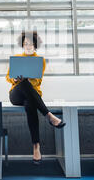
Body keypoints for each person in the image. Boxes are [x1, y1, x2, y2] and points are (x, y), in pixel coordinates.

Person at [6, 30, 66, 165]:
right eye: (25, 44)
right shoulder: (16, 58)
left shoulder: (41, 61)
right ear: (22, 45)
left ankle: (36, 147)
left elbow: (38, 81)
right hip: (16, 95)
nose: (28, 46)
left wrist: (27, 79)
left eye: (30, 44)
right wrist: (14, 79)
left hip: (32, 95)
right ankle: (49, 115)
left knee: (30, 105)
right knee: (23, 83)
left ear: (35, 46)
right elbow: (8, 77)